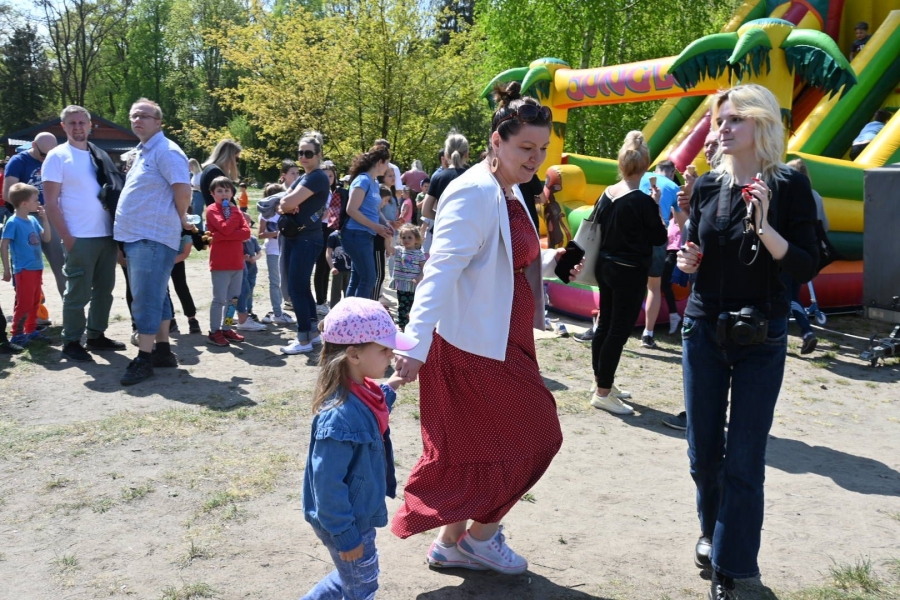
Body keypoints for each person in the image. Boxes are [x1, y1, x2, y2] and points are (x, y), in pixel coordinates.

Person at [391, 82, 579, 574]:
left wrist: (556, 261)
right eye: (525, 147)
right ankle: (482, 537)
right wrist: (413, 343)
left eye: (542, 148)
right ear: (497, 141)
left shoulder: (509, 189)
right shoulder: (473, 191)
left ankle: (452, 544)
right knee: (539, 435)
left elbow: (501, 259)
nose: (535, 158)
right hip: (470, 345)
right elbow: (440, 271)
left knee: (480, 447)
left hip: (501, 339)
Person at [676, 84, 818, 600]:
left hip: (763, 334)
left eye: (734, 118)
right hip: (703, 331)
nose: (723, 128)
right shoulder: (708, 187)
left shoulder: (789, 186)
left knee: (745, 457)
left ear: (761, 123)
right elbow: (693, 255)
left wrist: (765, 227)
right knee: (703, 454)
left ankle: (733, 568)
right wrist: (687, 261)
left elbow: (806, 263)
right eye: (721, 120)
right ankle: (711, 532)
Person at [300, 297, 416, 600]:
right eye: (384, 349)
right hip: (346, 522)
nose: (391, 354)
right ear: (353, 354)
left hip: (354, 515)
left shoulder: (362, 390)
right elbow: (327, 485)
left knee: (350, 577)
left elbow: (373, 409)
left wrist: (393, 385)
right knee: (362, 586)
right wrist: (345, 536)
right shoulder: (339, 416)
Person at [587, 132, 667, 415]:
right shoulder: (642, 201)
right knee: (618, 331)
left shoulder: (608, 193)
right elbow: (660, 237)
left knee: (605, 325)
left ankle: (602, 380)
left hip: (605, 266)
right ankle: (603, 391)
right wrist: (656, 206)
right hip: (629, 271)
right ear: (645, 167)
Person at [114, 98, 192, 386]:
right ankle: (162, 351)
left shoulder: (167, 151)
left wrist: (180, 216)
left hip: (153, 235)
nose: (138, 120)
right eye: (134, 115)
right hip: (140, 236)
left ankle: (144, 358)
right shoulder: (142, 151)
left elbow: (182, 189)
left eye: (144, 116)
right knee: (157, 295)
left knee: (146, 297)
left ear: (158, 122)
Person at [43, 105, 126, 362]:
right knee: (77, 293)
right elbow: (50, 203)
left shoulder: (98, 154)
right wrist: (67, 237)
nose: (78, 127)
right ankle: (71, 341)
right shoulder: (57, 156)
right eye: (72, 123)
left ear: (90, 125)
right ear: (64, 126)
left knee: (104, 290)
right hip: (79, 236)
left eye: (82, 122)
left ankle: (96, 335)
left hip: (106, 234)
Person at [278, 131, 331, 355]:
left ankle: (303, 340)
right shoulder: (304, 177)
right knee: (301, 286)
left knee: (296, 288)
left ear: (318, 155)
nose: (303, 157)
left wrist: (287, 203)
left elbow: (287, 202)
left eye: (308, 153)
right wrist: (286, 203)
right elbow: (283, 203)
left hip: (306, 238)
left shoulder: (316, 177)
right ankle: (313, 334)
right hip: (298, 237)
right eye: (300, 153)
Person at [4, 132, 65, 299]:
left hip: (50, 217)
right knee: (26, 266)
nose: (46, 159)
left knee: (62, 264)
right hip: (25, 219)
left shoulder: (56, 160)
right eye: (43, 154)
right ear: (33, 145)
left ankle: (71, 307)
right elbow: (7, 194)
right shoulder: (19, 161)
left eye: (50, 154)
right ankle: (31, 309)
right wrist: (34, 206)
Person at [639, 160, 687, 348]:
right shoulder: (674, 188)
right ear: (672, 172)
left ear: (655, 169)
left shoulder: (640, 177)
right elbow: (683, 223)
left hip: (631, 235)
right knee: (654, 286)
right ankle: (648, 333)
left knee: (624, 280)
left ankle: (606, 326)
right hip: (656, 237)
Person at [785, 158, 830, 354]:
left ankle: (805, 330)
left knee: (787, 295)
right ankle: (802, 332)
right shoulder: (815, 196)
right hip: (808, 252)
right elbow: (825, 225)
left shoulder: (787, 194)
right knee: (791, 293)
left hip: (787, 250)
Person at [1, 183, 51, 345]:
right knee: (24, 303)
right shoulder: (13, 222)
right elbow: (4, 244)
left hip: (37, 268)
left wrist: (45, 219)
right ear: (24, 203)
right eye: (35, 200)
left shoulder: (33, 220)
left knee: (35, 301)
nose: (39, 202)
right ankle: (17, 335)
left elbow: (46, 238)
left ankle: (31, 331)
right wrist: (7, 269)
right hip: (24, 270)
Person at [205, 176, 251, 346]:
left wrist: (218, 236)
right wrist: (233, 218)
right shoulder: (212, 210)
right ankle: (214, 331)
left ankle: (227, 327)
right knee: (219, 299)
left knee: (233, 300)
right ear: (212, 194)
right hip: (220, 263)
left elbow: (246, 233)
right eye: (219, 191)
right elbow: (225, 228)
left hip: (237, 263)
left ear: (232, 193)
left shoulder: (235, 210)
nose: (224, 194)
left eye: (227, 190)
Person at [342, 145, 393, 300]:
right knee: (369, 278)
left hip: (365, 236)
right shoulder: (363, 180)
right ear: (380, 162)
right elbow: (351, 209)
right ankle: (358, 314)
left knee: (358, 278)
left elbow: (374, 211)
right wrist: (376, 227)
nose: (388, 167)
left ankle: (349, 313)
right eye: (387, 163)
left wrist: (386, 224)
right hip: (356, 235)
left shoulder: (374, 182)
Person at [421, 133, 469, 255]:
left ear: (446, 155)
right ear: (466, 154)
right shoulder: (474, 176)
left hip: (444, 233)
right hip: (468, 235)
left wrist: (444, 216)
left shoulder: (438, 177)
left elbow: (425, 211)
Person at [257, 183, 295, 325]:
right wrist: (277, 233)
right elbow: (260, 234)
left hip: (287, 249)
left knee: (289, 280)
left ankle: (288, 305)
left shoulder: (287, 211)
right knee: (275, 282)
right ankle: (277, 312)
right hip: (273, 251)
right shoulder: (266, 214)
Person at [312, 161, 341, 318]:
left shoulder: (332, 191)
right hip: (321, 228)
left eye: (331, 176)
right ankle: (319, 301)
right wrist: (327, 212)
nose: (328, 179)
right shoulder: (319, 192)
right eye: (325, 176)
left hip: (331, 228)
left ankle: (323, 299)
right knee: (321, 266)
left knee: (327, 266)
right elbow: (316, 214)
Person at [390, 223, 426, 331]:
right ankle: (402, 325)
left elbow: (424, 269)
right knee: (402, 305)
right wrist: (387, 237)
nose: (406, 240)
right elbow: (388, 248)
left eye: (410, 237)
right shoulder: (399, 250)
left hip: (413, 285)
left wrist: (419, 277)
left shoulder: (419, 254)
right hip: (402, 284)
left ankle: (413, 324)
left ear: (416, 239)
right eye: (403, 237)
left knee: (413, 305)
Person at [235, 211, 265, 331]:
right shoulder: (235, 240)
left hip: (250, 270)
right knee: (236, 296)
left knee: (247, 291)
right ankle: (233, 320)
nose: (247, 225)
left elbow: (259, 253)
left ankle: (244, 315)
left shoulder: (251, 239)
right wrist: (242, 258)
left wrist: (253, 258)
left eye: (249, 223)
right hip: (238, 272)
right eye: (244, 222)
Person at [168, 227, 201, 334]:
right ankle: (170, 319)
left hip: (177, 259)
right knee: (163, 290)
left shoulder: (186, 231)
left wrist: (168, 262)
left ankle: (192, 318)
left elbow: (185, 253)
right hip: (160, 259)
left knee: (182, 288)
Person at [199, 139, 241, 207]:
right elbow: (224, 202)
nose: (237, 163)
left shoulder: (210, 169)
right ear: (228, 157)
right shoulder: (215, 172)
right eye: (236, 159)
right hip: (222, 213)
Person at [326, 229, 351, 308]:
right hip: (338, 270)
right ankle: (334, 309)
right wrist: (332, 267)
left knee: (349, 293)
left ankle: (349, 309)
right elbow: (328, 253)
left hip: (350, 269)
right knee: (336, 293)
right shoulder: (333, 236)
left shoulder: (351, 234)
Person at [189, 158, 204, 228]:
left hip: (199, 195)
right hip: (194, 194)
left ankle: (200, 230)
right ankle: (195, 230)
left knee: (197, 214)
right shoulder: (194, 175)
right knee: (193, 213)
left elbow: (202, 188)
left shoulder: (200, 174)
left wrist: (192, 186)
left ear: (193, 166)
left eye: (189, 166)